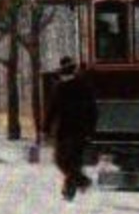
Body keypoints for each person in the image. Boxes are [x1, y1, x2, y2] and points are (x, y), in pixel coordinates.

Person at [42, 57, 98, 201]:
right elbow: (93, 110)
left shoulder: (60, 88)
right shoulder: (85, 86)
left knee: (61, 160)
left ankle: (80, 182)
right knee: (74, 161)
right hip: (80, 130)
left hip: (65, 130)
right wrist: (91, 130)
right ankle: (71, 190)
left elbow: (52, 110)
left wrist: (45, 129)